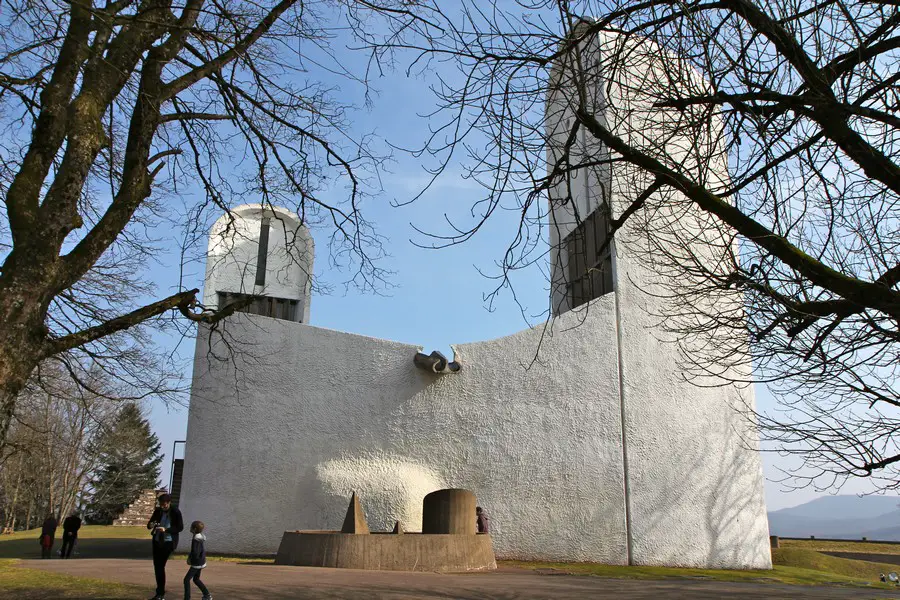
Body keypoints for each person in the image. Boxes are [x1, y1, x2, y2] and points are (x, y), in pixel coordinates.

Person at [146, 493, 184, 600]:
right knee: (158, 567)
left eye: (164, 505)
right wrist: (151, 525)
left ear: (169, 503)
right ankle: (160, 593)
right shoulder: (158, 511)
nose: (162, 507)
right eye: (161, 504)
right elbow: (149, 525)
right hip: (157, 540)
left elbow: (180, 527)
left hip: (168, 542)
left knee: (160, 566)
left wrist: (166, 530)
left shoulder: (176, 512)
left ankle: (160, 594)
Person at [184, 521, 212, 600]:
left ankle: (187, 598)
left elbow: (195, 552)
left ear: (194, 529)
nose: (190, 528)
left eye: (191, 527)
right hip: (201, 561)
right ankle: (207, 595)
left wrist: (190, 559)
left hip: (197, 563)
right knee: (196, 579)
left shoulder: (196, 539)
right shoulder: (199, 537)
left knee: (186, 580)